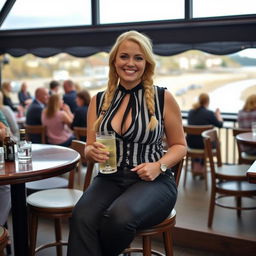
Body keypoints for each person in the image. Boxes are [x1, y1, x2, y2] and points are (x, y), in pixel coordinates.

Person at [67, 30, 187, 256]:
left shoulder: (163, 98)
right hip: (109, 177)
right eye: (124, 56)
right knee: (81, 216)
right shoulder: (99, 100)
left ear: (146, 63)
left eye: (138, 58)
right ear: (114, 60)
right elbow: (90, 146)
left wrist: (158, 165)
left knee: (119, 217)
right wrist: (91, 152)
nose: (130, 63)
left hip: (155, 181)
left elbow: (180, 146)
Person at [187, 93, 223, 174]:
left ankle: (197, 163)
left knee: (200, 140)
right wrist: (218, 115)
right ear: (207, 102)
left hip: (190, 144)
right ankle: (206, 166)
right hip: (204, 145)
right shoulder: (209, 113)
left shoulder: (191, 112)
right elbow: (220, 125)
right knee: (214, 142)